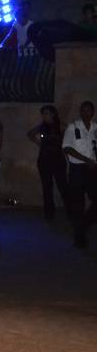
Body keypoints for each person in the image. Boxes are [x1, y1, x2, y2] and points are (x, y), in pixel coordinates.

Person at [62, 101, 97, 249]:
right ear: (80, 111)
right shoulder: (73, 127)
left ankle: (82, 225)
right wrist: (85, 159)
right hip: (77, 169)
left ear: (93, 112)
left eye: (89, 110)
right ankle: (79, 237)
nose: (86, 113)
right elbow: (66, 148)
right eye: (83, 110)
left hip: (93, 169)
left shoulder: (95, 128)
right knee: (78, 204)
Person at [27, 105, 68, 220]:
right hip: (44, 160)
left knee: (63, 186)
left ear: (53, 114)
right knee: (47, 187)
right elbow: (30, 134)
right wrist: (39, 143)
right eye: (43, 114)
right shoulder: (42, 126)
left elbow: (69, 131)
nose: (44, 116)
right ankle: (49, 213)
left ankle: (71, 211)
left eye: (46, 113)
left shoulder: (60, 126)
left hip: (58, 159)